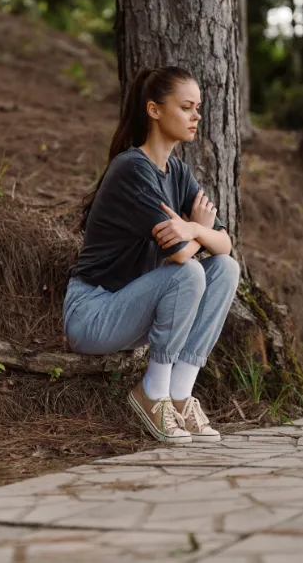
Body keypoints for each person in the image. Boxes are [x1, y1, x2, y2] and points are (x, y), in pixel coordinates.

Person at [63, 66, 240, 444]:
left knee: (224, 269)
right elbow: (178, 257)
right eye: (187, 107)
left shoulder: (176, 170)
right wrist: (198, 238)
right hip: (93, 314)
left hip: (134, 312)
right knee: (190, 272)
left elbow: (225, 244)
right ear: (155, 110)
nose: (196, 117)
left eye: (199, 108)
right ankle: (152, 392)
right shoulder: (132, 169)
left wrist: (193, 229)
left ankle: (179, 396)